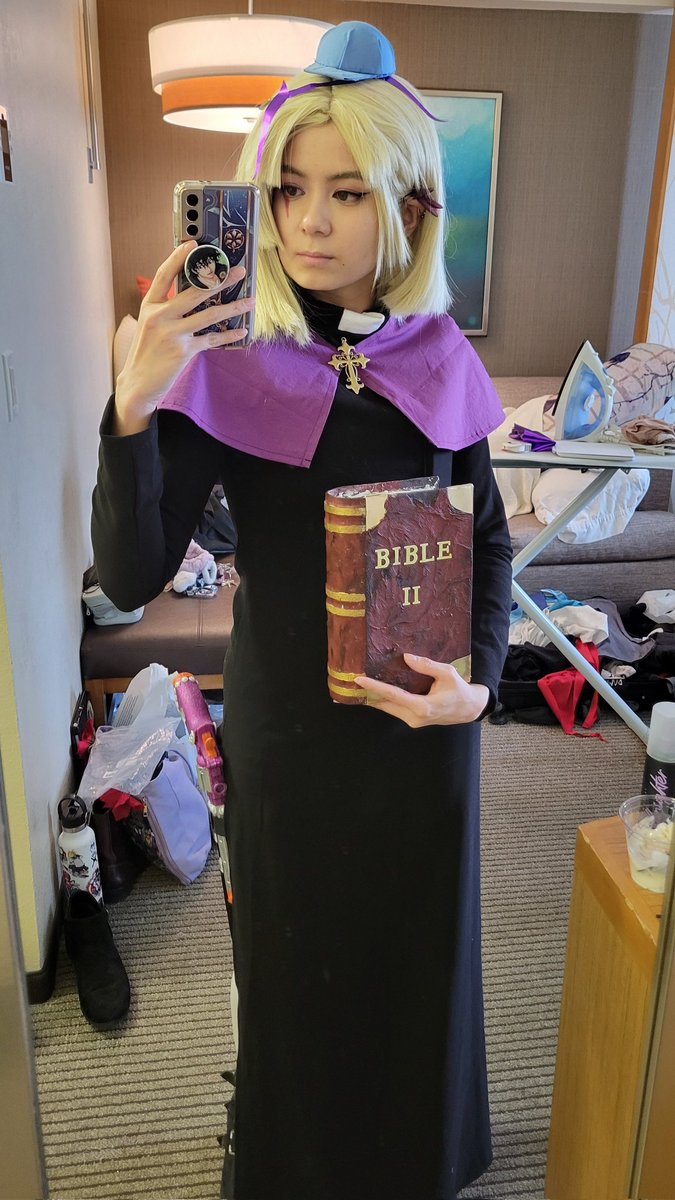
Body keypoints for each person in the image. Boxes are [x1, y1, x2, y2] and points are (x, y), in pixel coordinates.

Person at [92, 20, 513, 1200]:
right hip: (291, 743)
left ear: (408, 208)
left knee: (417, 969)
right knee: (293, 975)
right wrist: (134, 405)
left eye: (345, 192)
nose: (308, 222)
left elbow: (488, 541)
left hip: (425, 740)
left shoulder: (441, 356)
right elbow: (128, 573)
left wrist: (480, 686)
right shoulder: (225, 356)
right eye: (287, 190)